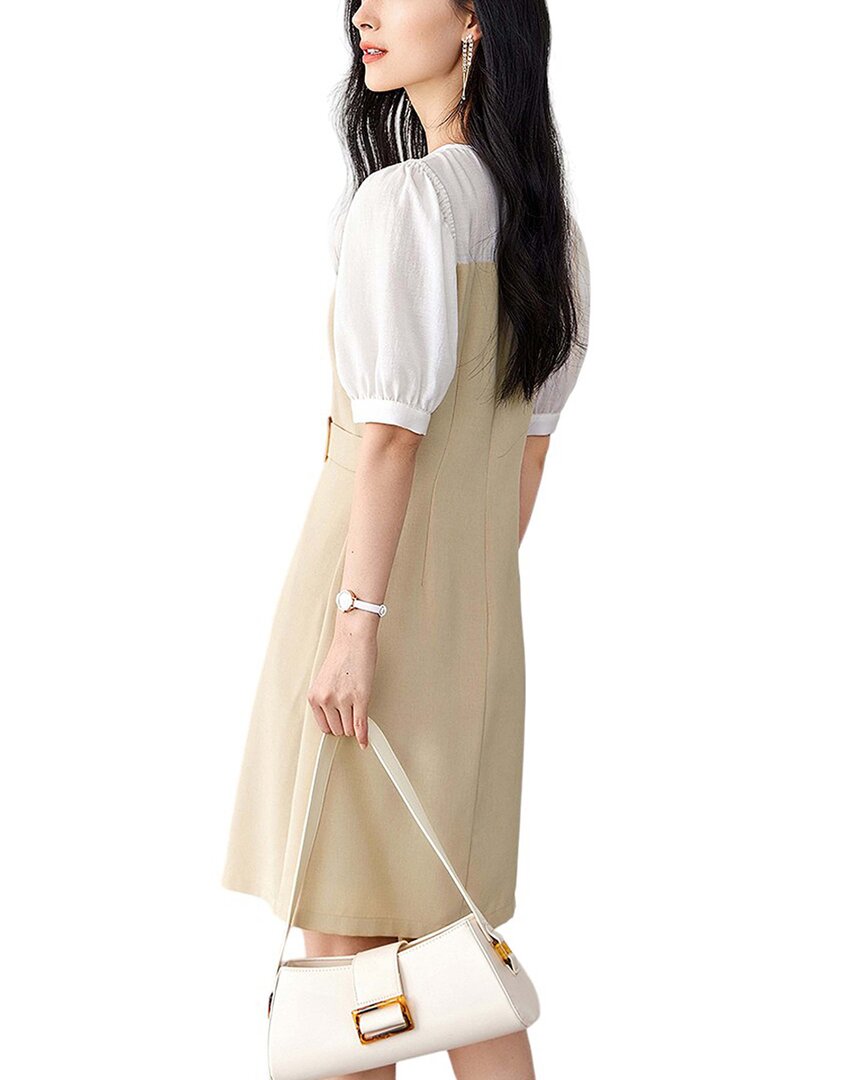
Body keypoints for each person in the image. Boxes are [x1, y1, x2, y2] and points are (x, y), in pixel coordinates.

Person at [222, 1, 591, 1076]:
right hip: (472, 624)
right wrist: (451, 616)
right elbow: (524, 461)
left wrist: (358, 625)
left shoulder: (408, 201)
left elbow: (388, 438)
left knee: (345, 954)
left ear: (474, 18)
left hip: (363, 604)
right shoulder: (552, 235)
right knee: (452, 948)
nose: (364, 12)